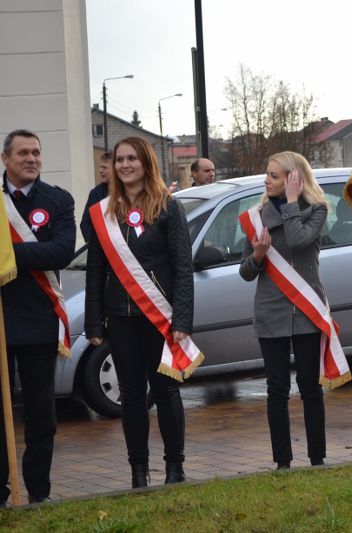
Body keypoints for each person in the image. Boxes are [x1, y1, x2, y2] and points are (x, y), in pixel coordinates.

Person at [85, 136, 194, 488]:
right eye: (120, 160)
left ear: (146, 162)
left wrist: (182, 319)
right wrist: (93, 319)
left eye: (132, 158)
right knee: (131, 396)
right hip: (119, 318)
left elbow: (183, 267)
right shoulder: (104, 211)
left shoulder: (168, 207)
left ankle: (175, 468)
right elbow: (95, 269)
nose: (125, 165)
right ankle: (138, 471)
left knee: (166, 392)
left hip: (158, 318)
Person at [239, 151, 330, 470]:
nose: (267, 180)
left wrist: (291, 202)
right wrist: (259, 256)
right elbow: (246, 272)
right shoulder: (256, 216)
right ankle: (282, 461)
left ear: (294, 179)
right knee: (276, 388)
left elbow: (299, 240)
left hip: (305, 309)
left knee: (310, 387)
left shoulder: (316, 209)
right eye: (267, 173)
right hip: (271, 311)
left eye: (275, 175)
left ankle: (317, 458)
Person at [0, 129, 76, 505]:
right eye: (23, 153)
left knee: (40, 413)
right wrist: (31, 253)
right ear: (5, 159)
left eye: (36, 153)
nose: (31, 159)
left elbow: (61, 251)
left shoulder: (57, 200)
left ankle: (38, 493)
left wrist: (8, 256)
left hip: (37, 321)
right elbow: (44, 252)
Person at [79, 152, 111, 242]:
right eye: (100, 167)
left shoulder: (128, 192)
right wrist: (96, 245)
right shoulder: (95, 193)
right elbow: (85, 224)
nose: (100, 170)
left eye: (104, 167)